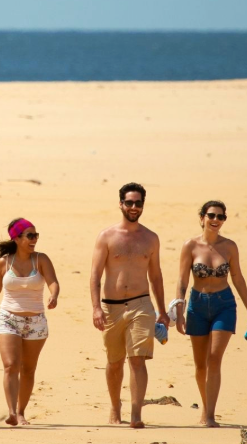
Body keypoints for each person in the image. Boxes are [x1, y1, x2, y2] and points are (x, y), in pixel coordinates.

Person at [89, 183, 170, 429]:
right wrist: (96, 307)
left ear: (143, 205)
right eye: (129, 202)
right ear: (121, 204)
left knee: (137, 359)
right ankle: (115, 407)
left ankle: (136, 413)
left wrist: (162, 311)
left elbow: (156, 276)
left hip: (141, 304)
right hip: (111, 308)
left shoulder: (151, 238)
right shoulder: (106, 236)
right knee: (115, 362)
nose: (134, 207)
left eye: (138, 203)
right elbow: (95, 275)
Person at [173, 200, 247, 427]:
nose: (215, 220)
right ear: (202, 217)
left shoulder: (229, 247)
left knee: (214, 358)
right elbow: (182, 280)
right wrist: (179, 310)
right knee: (200, 365)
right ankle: (204, 407)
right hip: (197, 305)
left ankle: (210, 414)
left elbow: (237, 278)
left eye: (221, 217)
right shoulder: (190, 246)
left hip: (224, 304)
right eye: (211, 215)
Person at [0, 218, 60, 426]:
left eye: (36, 235)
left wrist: (54, 295)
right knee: (11, 365)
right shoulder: (4, 263)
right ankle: (11, 412)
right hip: (8, 319)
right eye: (30, 236)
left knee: (28, 369)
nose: (34, 239)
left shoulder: (41, 259)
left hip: (36, 321)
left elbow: (53, 282)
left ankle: (21, 412)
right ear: (17, 238)